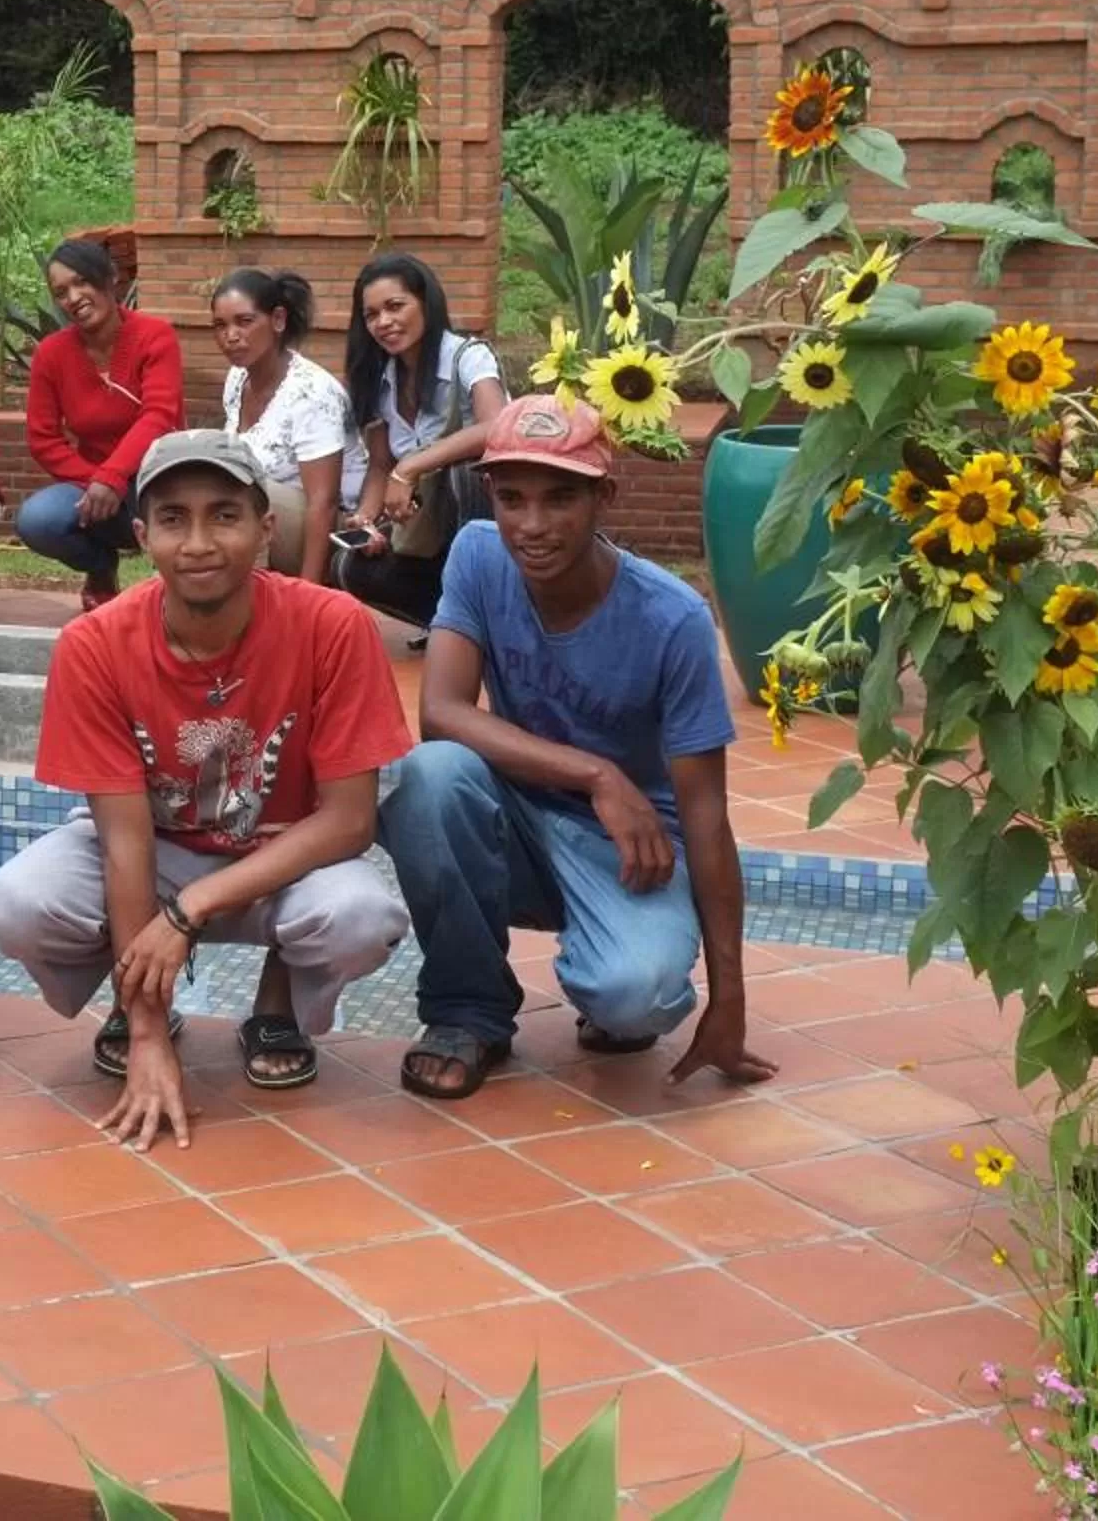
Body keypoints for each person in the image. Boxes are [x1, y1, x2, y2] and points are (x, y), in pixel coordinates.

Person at [0, 430, 412, 1150]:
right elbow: (123, 839)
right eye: (174, 519)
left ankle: (276, 1000)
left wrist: (188, 913)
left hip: (283, 858)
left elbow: (349, 822)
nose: (200, 542)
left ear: (266, 528)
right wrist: (147, 1031)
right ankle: (134, 999)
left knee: (360, 916)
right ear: (144, 536)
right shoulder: (95, 645)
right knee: (16, 905)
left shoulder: (330, 625)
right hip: (159, 849)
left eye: (225, 515)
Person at [379, 396, 774, 1102]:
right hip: (518, 818)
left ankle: (607, 971)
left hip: (632, 849)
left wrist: (730, 997)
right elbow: (439, 712)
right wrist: (595, 773)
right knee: (428, 777)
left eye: (560, 498)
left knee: (636, 998)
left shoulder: (673, 619)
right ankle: (468, 1009)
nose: (532, 526)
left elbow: (709, 816)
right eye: (512, 499)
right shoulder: (476, 555)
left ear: (604, 498)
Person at [336, 252, 508, 628]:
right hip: (422, 530)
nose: (384, 322)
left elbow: (497, 426)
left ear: (425, 302)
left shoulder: (468, 356)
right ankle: (456, 624)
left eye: (395, 306)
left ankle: (485, 613)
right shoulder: (380, 378)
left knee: (465, 472)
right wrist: (365, 519)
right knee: (352, 568)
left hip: (480, 521)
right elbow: (381, 463)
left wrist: (412, 466)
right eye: (372, 315)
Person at [19, 237, 184, 612]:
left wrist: (113, 477)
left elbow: (159, 416)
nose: (73, 297)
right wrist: (96, 481)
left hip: (159, 476)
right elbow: (43, 439)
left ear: (109, 279)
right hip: (90, 483)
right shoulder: (52, 354)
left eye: (81, 282)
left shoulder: (155, 336)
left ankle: (176, 592)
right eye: (60, 292)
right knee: (37, 520)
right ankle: (100, 567)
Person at [212, 268, 349, 585]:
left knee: (242, 487)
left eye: (244, 322)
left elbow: (324, 502)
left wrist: (310, 593)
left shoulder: (311, 393)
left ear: (277, 320)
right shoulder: (237, 378)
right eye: (220, 326)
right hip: (263, 520)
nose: (230, 336)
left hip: (328, 534)